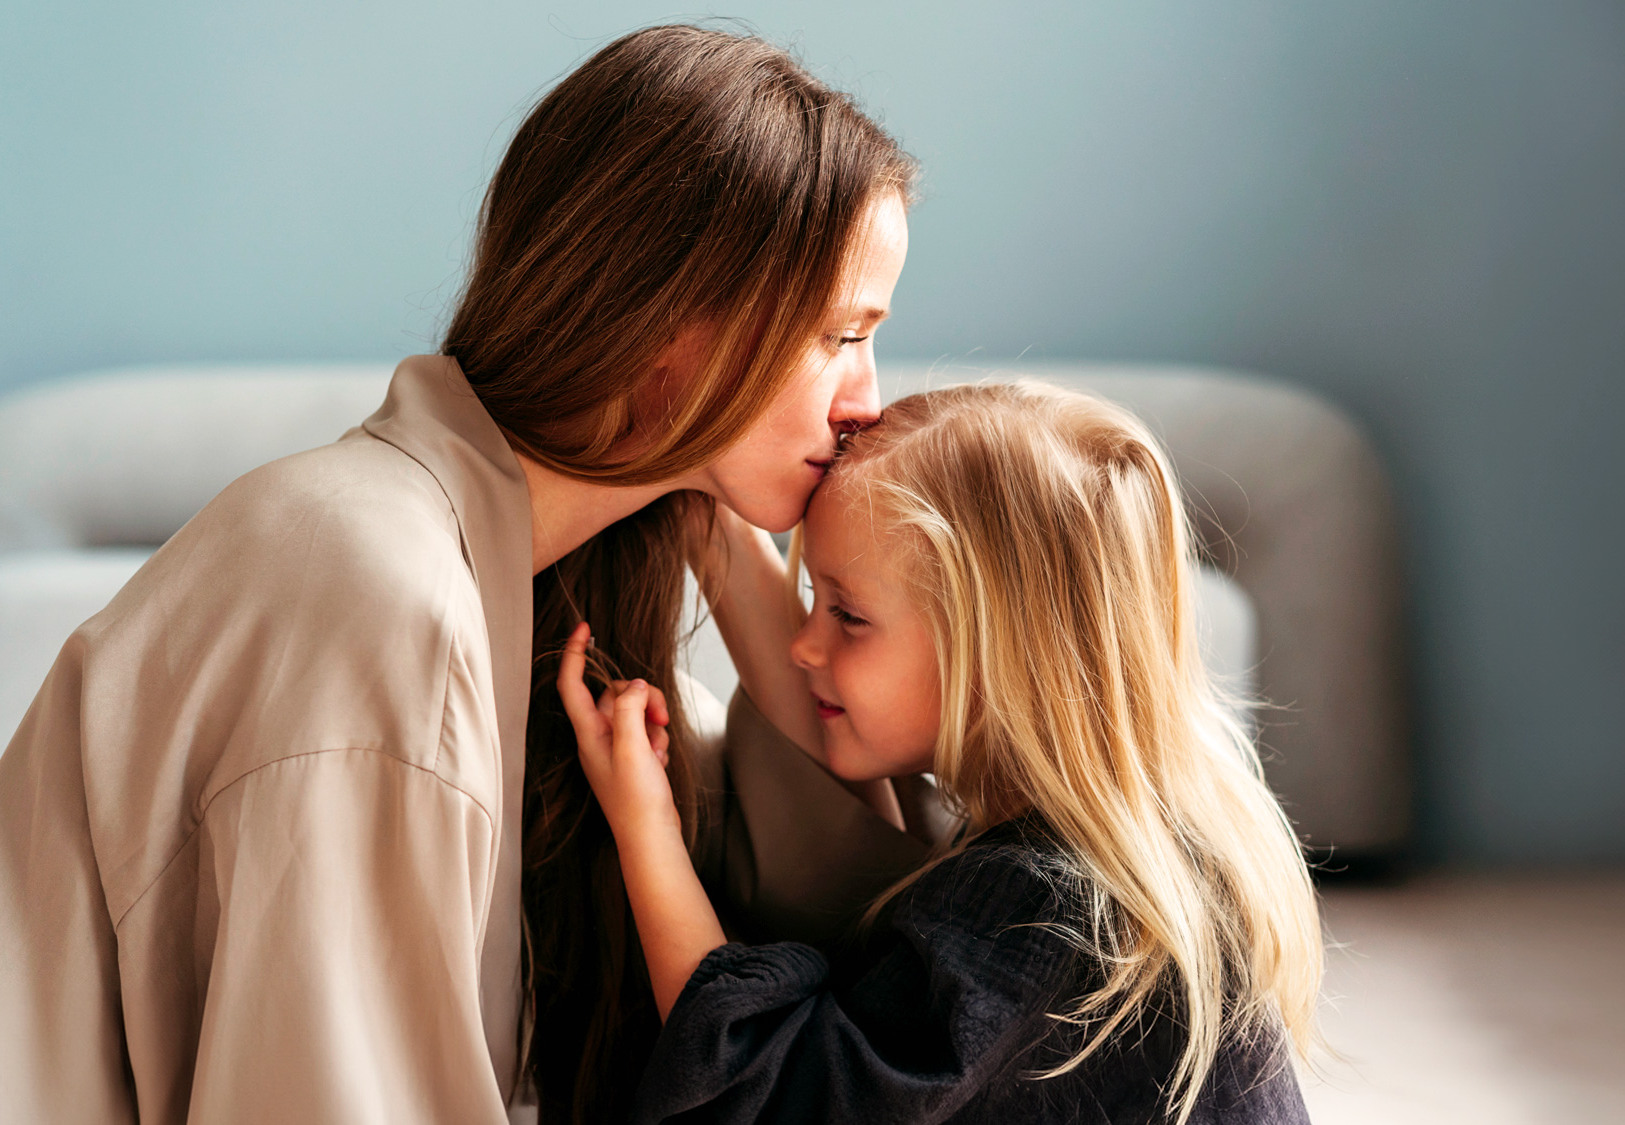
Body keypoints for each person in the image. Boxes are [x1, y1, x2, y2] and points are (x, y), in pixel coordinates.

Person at [0, 25, 918, 1124]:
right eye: (841, 334)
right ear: (670, 318)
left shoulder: (550, 593)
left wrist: (710, 506)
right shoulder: (373, 585)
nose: (866, 401)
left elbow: (851, 954)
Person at [558, 381, 1325, 1124]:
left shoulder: (1037, 911)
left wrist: (645, 828)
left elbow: (769, 1097)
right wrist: (710, 513)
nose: (803, 643)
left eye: (848, 616)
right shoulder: (1146, 848)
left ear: (999, 659)